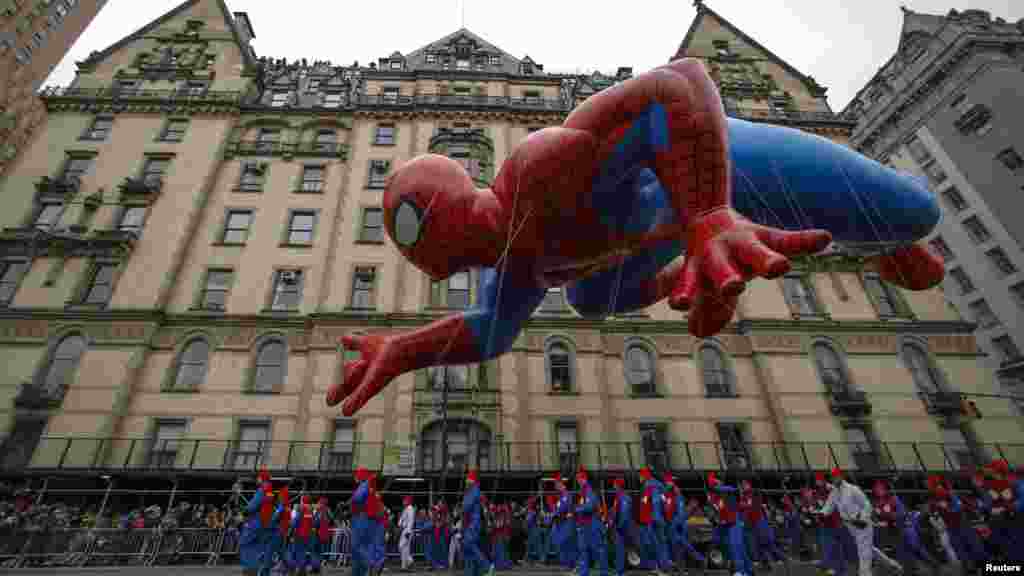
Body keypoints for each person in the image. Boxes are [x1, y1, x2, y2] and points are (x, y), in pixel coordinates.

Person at [327, 58, 944, 418]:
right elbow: (489, 331)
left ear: (461, 214)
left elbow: (678, 82)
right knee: (589, 300)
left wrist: (708, 212)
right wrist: (404, 351)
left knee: (915, 215)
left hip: (723, 166)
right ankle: (690, 272)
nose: (458, 273)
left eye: (448, 252)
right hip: (667, 234)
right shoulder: (514, 267)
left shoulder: (539, 168)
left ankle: (888, 239)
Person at [819, 469, 873, 576]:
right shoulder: (834, 492)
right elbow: (828, 506)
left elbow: (867, 504)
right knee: (867, 549)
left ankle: (864, 573)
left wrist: (863, 518)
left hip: (862, 525)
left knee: (863, 552)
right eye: (832, 477)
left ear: (841, 476)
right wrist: (821, 514)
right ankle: (891, 564)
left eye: (836, 476)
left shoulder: (853, 489)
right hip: (849, 526)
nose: (834, 479)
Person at [708, 472, 751, 576]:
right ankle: (746, 569)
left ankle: (740, 571)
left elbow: (730, 489)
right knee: (729, 546)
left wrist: (718, 487)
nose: (715, 484)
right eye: (712, 483)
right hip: (724, 524)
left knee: (736, 546)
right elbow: (716, 510)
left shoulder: (728, 490)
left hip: (734, 522)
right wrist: (715, 517)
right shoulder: (713, 496)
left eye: (716, 482)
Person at [664, 474, 704, 570]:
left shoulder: (678, 496)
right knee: (676, 546)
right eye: (669, 482)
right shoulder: (667, 495)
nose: (670, 484)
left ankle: (697, 558)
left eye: (671, 483)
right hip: (672, 525)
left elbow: (681, 514)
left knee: (680, 545)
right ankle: (679, 565)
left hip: (677, 526)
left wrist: (674, 524)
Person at [574, 468, 609, 576]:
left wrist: (577, 509)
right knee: (583, 549)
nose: (577, 481)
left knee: (597, 549)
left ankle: (604, 572)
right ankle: (584, 572)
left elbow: (589, 506)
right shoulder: (583, 491)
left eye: (578, 479)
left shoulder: (589, 490)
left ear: (583, 479)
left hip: (593, 524)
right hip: (585, 524)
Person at [239, 470, 274, 576]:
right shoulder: (271, 491)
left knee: (244, 543)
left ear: (262, 478)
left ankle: (249, 569)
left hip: (255, 522)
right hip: (265, 523)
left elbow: (253, 506)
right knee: (256, 546)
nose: (256, 479)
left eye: (258, 477)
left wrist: (243, 513)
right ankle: (255, 568)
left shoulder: (262, 489)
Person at [462, 469, 490, 576]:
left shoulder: (473, 491)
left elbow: (466, 507)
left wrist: (462, 507)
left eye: (467, 480)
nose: (465, 482)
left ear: (470, 481)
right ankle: (472, 572)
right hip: (473, 523)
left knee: (468, 544)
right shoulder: (475, 491)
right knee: (470, 547)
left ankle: (486, 566)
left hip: (473, 523)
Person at [350, 468, 373, 576]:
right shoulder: (365, 485)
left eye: (357, 475)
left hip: (360, 518)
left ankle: (368, 567)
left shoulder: (364, 486)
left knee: (357, 546)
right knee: (358, 547)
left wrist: (351, 502)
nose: (355, 477)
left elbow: (358, 499)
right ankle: (358, 571)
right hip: (361, 518)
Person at [609, 478, 632, 576]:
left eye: (614, 484)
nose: (613, 486)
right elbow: (615, 511)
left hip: (622, 528)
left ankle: (620, 571)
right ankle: (619, 569)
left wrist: (619, 526)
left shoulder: (624, 497)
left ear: (618, 485)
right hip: (618, 526)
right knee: (619, 549)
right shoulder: (618, 497)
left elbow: (624, 514)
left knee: (620, 549)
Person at [289, 495, 316, 575]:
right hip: (308, 535)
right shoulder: (311, 511)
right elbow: (313, 523)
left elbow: (295, 522)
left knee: (298, 552)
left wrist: (291, 530)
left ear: (303, 501)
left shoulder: (301, 509)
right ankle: (303, 569)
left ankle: (299, 570)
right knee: (304, 552)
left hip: (299, 534)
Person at [399, 495, 416, 570]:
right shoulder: (406, 508)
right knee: (405, 549)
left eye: (405, 500)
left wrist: (408, 531)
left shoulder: (410, 508)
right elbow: (401, 520)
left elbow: (411, 521)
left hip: (407, 530)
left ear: (408, 501)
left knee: (401, 546)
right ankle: (404, 566)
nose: (403, 501)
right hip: (404, 530)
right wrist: (400, 524)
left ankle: (409, 561)